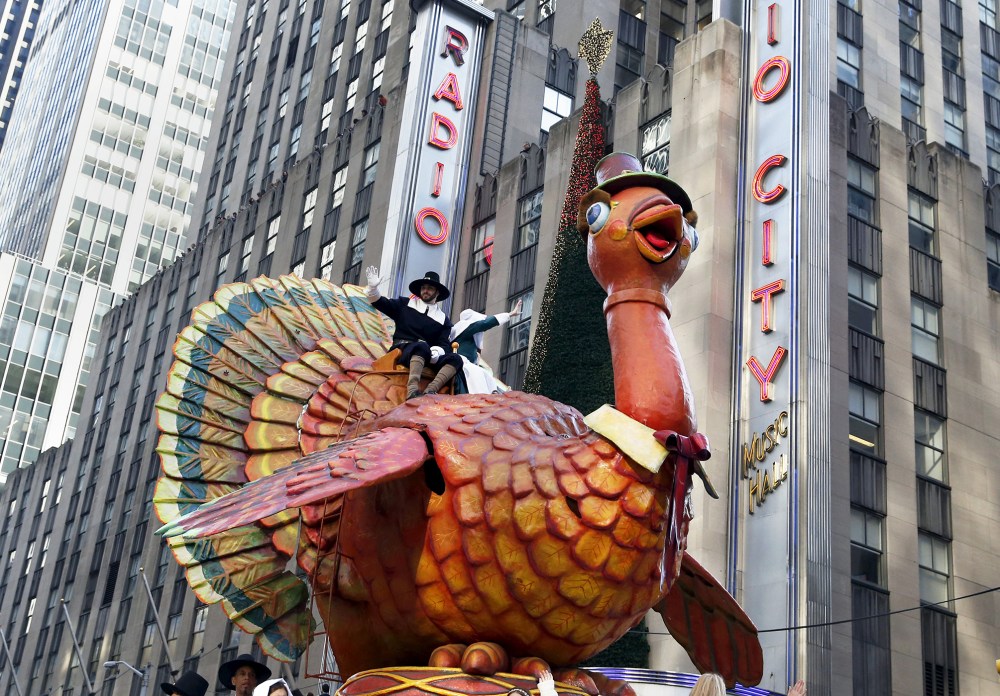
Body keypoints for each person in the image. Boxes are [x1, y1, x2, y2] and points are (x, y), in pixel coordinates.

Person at [365, 266, 464, 399]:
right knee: (421, 346)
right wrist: (373, 289)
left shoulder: (443, 319)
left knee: (456, 359)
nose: (425, 291)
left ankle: (431, 390)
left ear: (437, 292)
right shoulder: (405, 304)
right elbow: (381, 303)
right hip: (403, 349)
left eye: (429, 288)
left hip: (427, 354)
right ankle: (412, 391)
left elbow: (445, 344)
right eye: (423, 288)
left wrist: (437, 351)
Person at [449, 299, 521, 394]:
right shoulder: (467, 327)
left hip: (469, 366)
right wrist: (510, 314)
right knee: (481, 378)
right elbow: (486, 323)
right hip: (465, 366)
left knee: (487, 377)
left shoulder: (460, 331)